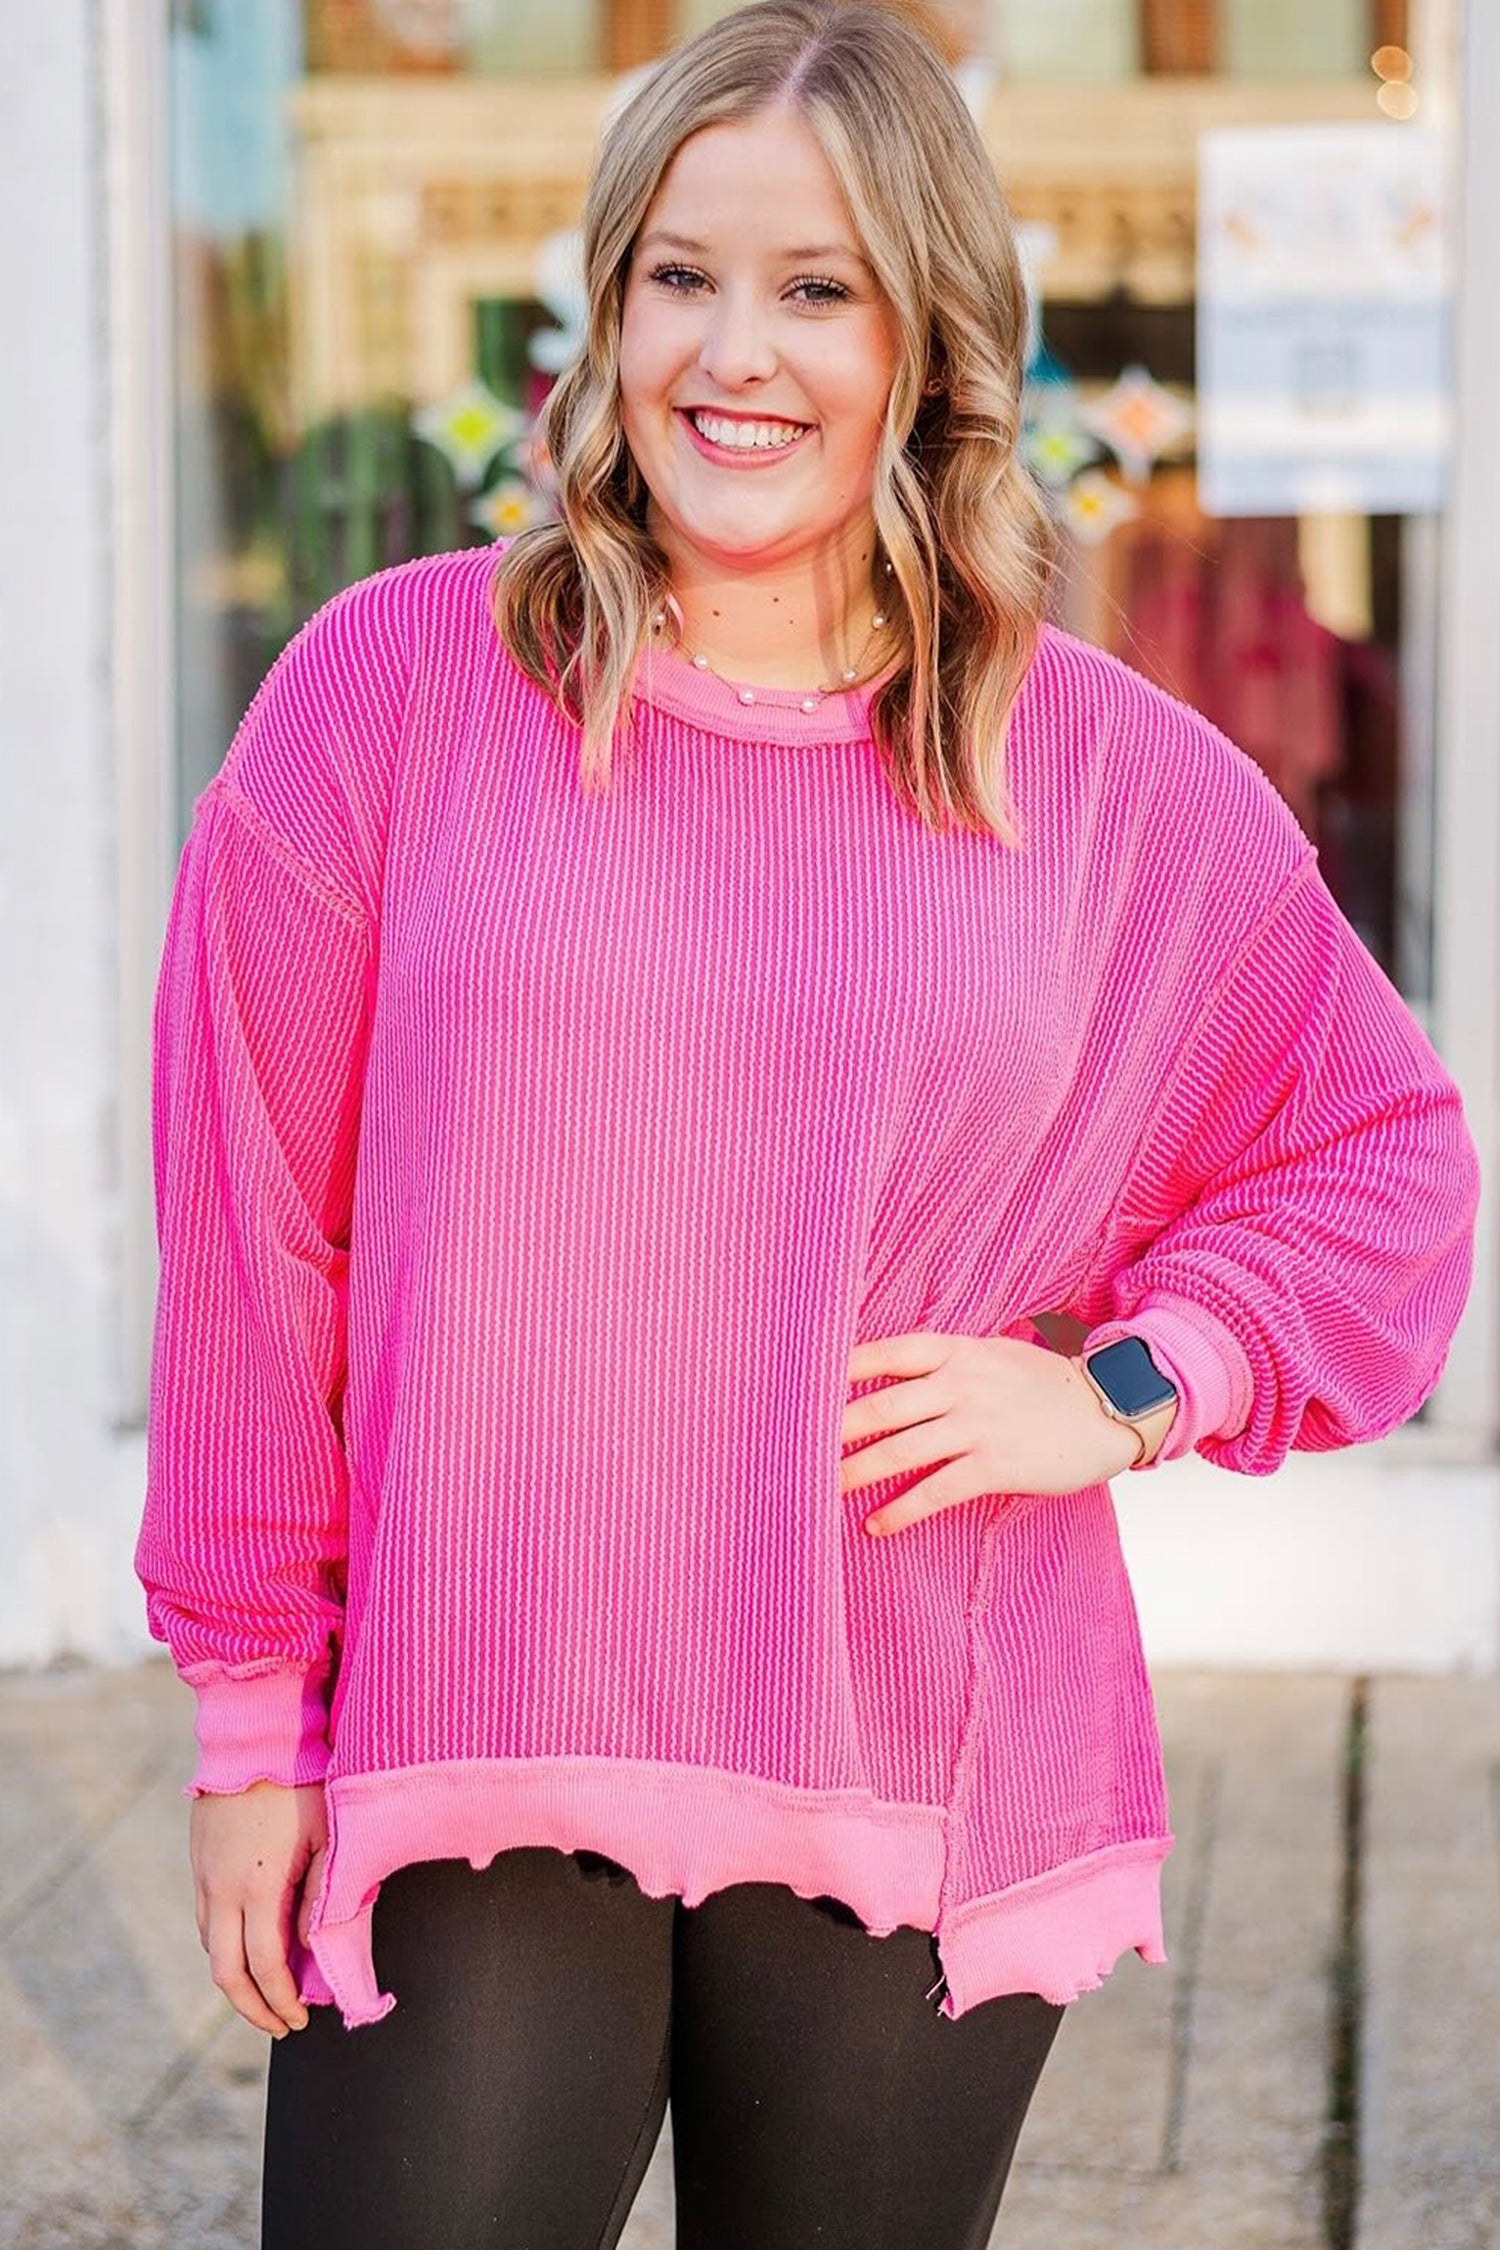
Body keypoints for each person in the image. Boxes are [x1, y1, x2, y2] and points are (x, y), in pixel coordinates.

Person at [134, 4, 1482, 2246]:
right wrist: (250, 1726)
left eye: (817, 286)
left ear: (927, 340)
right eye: (679, 273)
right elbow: (257, 1231)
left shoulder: (1098, 774)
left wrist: (1131, 1384)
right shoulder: (390, 693)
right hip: (483, 1708)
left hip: (921, 1723)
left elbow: (1383, 1154)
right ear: (608, 307)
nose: (731, 351)